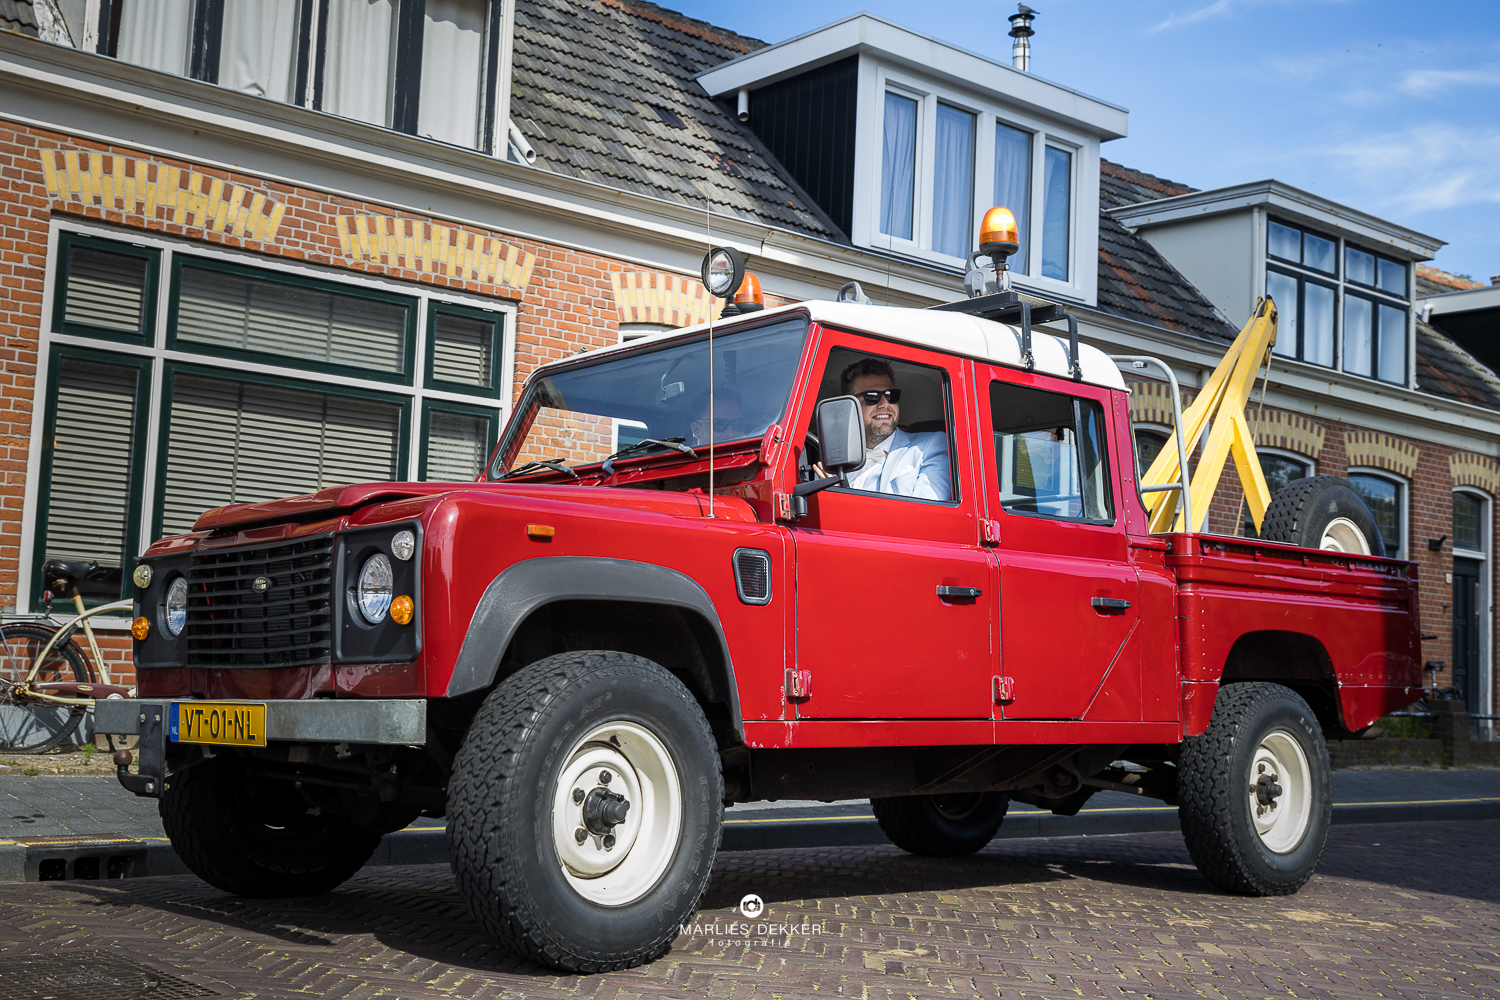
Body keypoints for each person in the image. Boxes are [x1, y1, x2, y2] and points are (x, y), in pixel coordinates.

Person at [836, 358, 951, 501]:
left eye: (891, 395)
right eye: (872, 397)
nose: (885, 404)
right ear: (849, 406)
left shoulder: (929, 446)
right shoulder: (835, 464)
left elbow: (928, 518)